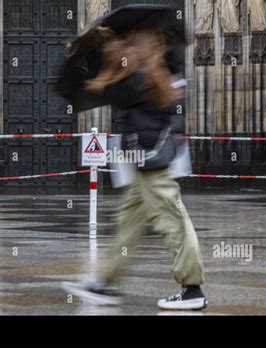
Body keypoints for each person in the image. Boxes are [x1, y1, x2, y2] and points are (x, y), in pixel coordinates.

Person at [62, 28, 207, 310]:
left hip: (151, 160)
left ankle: (192, 288)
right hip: (143, 161)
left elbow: (117, 93)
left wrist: (102, 63)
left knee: (172, 219)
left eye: (133, 45)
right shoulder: (151, 73)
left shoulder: (145, 77)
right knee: (128, 222)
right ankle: (105, 283)